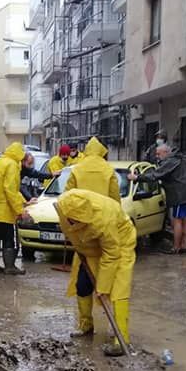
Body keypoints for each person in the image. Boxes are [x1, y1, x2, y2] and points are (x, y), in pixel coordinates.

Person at [55, 189, 137, 357]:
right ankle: (85, 325)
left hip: (119, 244)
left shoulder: (104, 219)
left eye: (79, 221)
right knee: (82, 285)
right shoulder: (65, 204)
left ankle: (122, 339)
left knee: (118, 290)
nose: (74, 222)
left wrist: (103, 287)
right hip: (89, 248)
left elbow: (112, 254)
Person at [62, 136, 120, 340]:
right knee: (111, 283)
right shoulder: (108, 170)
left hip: (84, 231)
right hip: (104, 229)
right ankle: (115, 327)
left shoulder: (77, 169)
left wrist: (70, 228)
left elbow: (67, 200)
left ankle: (86, 325)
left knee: (83, 284)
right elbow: (116, 202)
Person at [128, 144, 186, 254]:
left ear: (166, 152)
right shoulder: (179, 158)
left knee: (177, 220)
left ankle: (176, 247)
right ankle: (184, 245)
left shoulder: (171, 161)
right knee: (185, 220)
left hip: (181, 195)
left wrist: (137, 177)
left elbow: (156, 175)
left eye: (158, 154)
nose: (157, 156)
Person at [0, 142, 30, 275]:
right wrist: (19, 210)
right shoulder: (12, 165)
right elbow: (10, 190)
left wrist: (23, 201)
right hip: (4, 210)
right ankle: (9, 266)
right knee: (9, 239)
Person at [65, 137, 120, 201]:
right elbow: (114, 195)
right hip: (102, 206)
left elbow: (67, 196)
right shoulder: (109, 169)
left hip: (82, 206)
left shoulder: (77, 169)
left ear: (87, 149)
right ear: (103, 151)